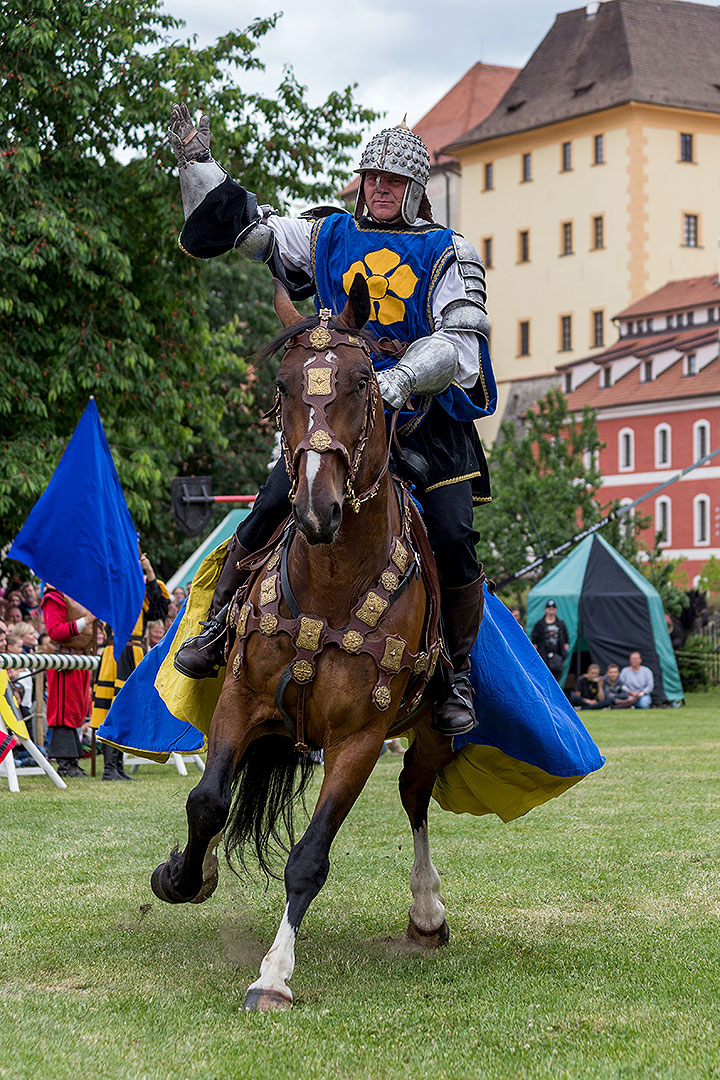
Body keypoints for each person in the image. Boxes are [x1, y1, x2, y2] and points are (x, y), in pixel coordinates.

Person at [167, 104, 496, 737]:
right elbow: (253, 233)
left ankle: (455, 674)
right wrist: (197, 164)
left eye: (393, 181)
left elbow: (460, 341)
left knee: (453, 537)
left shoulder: (449, 251)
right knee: (269, 506)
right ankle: (217, 626)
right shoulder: (328, 236)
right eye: (372, 177)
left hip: (423, 414)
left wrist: (397, 381)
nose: (379, 189)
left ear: (416, 190)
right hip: (334, 407)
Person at [91, 552, 169, 780]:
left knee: (126, 707)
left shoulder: (141, 590)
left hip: (133, 651)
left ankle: (118, 766)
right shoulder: (110, 586)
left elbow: (159, 609)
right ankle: (108, 768)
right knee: (112, 708)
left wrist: (151, 573)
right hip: (115, 650)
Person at [40, 586, 97, 777]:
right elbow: (55, 632)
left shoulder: (77, 594)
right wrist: (86, 621)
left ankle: (71, 760)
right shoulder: (54, 595)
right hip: (64, 661)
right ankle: (65, 763)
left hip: (79, 660)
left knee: (77, 711)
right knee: (63, 710)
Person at [530, 600, 569, 681]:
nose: (551, 609)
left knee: (556, 679)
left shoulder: (561, 624)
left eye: (553, 608)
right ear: (546, 610)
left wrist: (564, 650)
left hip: (557, 657)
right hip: (543, 657)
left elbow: (566, 639)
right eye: (549, 608)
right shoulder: (539, 624)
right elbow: (534, 640)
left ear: (556, 610)